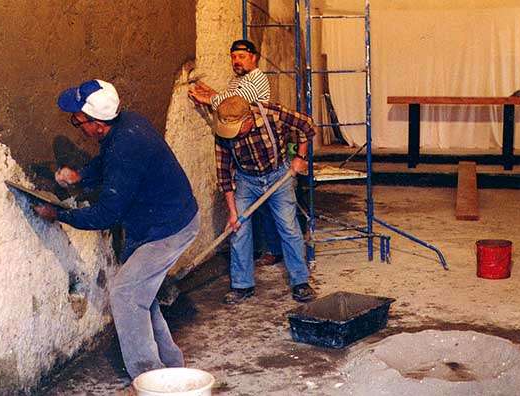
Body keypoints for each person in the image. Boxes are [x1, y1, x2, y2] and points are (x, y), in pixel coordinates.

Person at [33, 79, 199, 379]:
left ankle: (147, 376)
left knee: (124, 293)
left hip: (169, 228)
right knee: (139, 293)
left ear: (97, 125)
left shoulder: (126, 148)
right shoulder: (125, 123)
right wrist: (81, 176)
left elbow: (106, 214)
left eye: (78, 121)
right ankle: (171, 365)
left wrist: (59, 214)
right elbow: (107, 162)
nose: (77, 126)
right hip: (153, 222)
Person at [213, 95, 317, 304]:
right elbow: (224, 174)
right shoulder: (223, 133)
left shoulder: (272, 114)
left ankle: (300, 282)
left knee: (288, 226)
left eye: (236, 130)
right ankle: (242, 286)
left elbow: (307, 126)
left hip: (278, 175)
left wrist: (300, 157)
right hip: (246, 179)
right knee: (238, 229)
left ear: (249, 120)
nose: (231, 136)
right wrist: (233, 212)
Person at [189, 39, 283, 267]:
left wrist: (209, 98)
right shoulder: (238, 79)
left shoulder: (257, 78)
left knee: (269, 207)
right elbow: (228, 104)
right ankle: (261, 254)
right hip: (243, 149)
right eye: (233, 57)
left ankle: (273, 250)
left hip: (260, 147)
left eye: (241, 56)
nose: (236, 61)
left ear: (254, 57)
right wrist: (214, 95)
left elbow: (234, 102)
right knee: (259, 207)